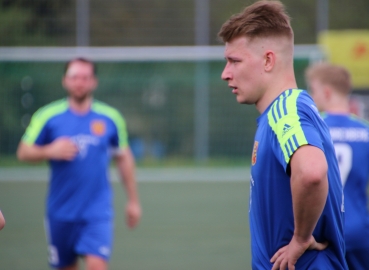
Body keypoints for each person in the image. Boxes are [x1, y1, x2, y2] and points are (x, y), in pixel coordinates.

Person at [218, 1, 347, 269]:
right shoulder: (282, 113)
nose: (225, 74)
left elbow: (311, 172)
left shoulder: (285, 111)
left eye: (234, 61)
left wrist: (300, 239)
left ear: (268, 60)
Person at [17, 58, 141, 270]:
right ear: (65, 81)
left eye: (85, 77)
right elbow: (23, 152)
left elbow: (124, 157)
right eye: (74, 77)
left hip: (97, 213)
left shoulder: (110, 118)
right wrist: (50, 150)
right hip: (60, 212)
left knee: (96, 265)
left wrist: (133, 200)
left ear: (94, 82)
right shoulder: (48, 116)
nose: (79, 82)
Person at [306, 62, 369, 270]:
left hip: (324, 232)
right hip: (360, 229)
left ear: (326, 91)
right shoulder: (365, 131)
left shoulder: (313, 129)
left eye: (313, 90)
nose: (311, 96)